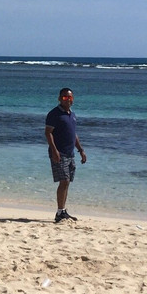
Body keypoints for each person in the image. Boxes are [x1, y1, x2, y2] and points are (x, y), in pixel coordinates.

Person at [45, 87, 86, 223]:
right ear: (59, 99)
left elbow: (73, 134)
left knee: (67, 182)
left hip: (70, 153)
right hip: (59, 153)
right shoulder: (54, 114)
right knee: (64, 181)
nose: (68, 100)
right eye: (65, 97)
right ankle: (59, 213)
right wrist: (54, 150)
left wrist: (81, 150)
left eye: (70, 97)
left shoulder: (72, 114)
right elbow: (48, 133)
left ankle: (62, 211)